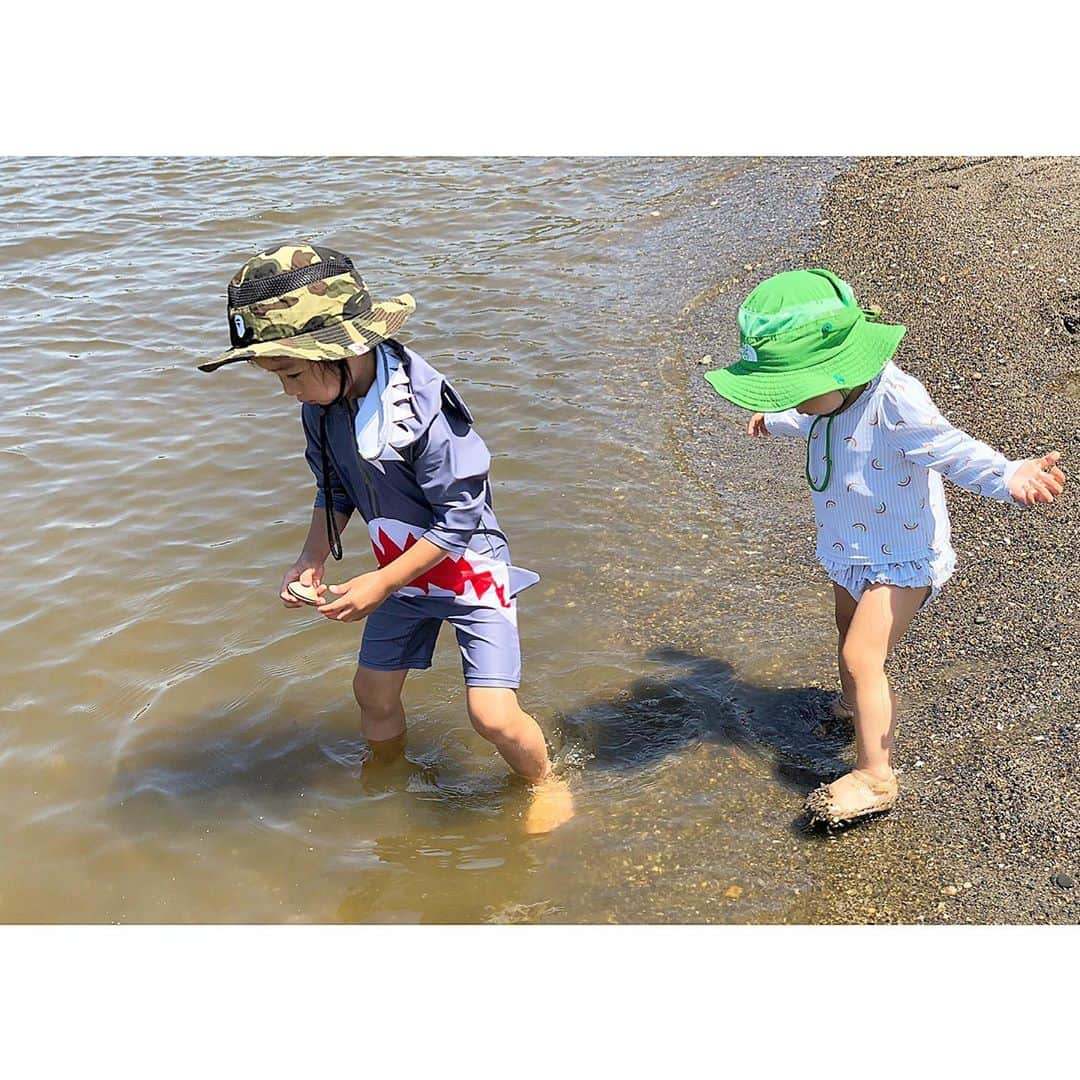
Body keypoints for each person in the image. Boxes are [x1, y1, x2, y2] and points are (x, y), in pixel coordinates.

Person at [198, 242, 573, 834]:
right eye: (279, 378)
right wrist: (310, 557)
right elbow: (335, 490)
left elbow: (458, 519)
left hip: (467, 570)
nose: (288, 391)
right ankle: (387, 776)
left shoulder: (423, 409)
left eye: (292, 373)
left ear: (342, 351)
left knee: (492, 716)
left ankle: (546, 783)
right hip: (400, 574)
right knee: (370, 692)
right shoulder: (324, 406)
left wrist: (380, 582)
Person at [704, 268, 1066, 826]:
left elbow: (950, 449)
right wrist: (773, 418)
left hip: (902, 558)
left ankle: (876, 776)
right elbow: (810, 421)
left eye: (794, 391)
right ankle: (854, 709)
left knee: (860, 654)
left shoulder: (895, 400)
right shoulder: (822, 398)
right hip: (848, 549)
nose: (793, 402)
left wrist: (1007, 475)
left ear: (839, 368)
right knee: (845, 633)